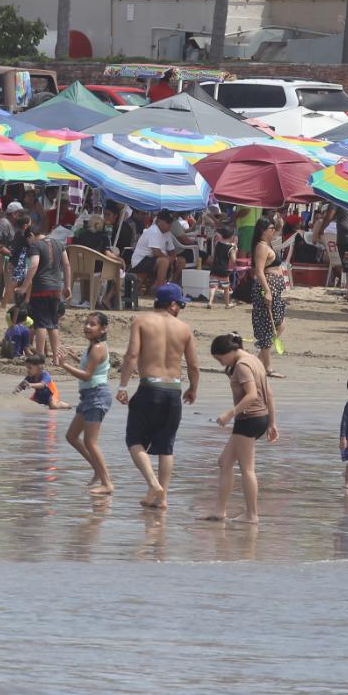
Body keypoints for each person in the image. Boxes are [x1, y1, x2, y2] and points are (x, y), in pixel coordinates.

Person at [117, 283, 201, 509]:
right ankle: (162, 499)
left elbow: (131, 355)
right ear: (172, 305)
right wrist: (193, 388)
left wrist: (122, 386)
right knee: (166, 446)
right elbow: (194, 365)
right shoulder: (184, 329)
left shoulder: (141, 321)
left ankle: (154, 485)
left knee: (134, 440)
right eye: (180, 305)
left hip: (150, 388)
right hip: (173, 391)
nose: (180, 309)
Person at [204, 333, 279, 524]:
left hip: (249, 419)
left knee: (247, 469)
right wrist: (272, 423)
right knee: (224, 462)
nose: (221, 363)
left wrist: (229, 414)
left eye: (220, 359)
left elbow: (252, 395)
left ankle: (251, 515)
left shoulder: (242, 366)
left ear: (230, 351)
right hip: (259, 418)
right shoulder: (255, 360)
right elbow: (269, 394)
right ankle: (220, 511)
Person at [59, 311, 114, 495]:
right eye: (86, 323)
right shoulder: (93, 346)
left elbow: (87, 375)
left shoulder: (98, 347)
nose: (87, 327)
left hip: (97, 395)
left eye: (93, 324)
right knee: (71, 436)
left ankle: (107, 483)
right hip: (88, 396)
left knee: (90, 441)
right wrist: (76, 358)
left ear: (103, 329)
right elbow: (92, 366)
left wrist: (64, 365)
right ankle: (98, 470)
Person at [21, 229, 71, 366]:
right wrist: (67, 286)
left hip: (41, 287)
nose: (29, 243)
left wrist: (24, 286)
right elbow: (66, 264)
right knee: (53, 324)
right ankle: (56, 358)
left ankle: (40, 356)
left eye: (28, 239)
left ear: (32, 235)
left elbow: (34, 265)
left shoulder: (35, 245)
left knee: (41, 323)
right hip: (56, 288)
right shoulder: (59, 244)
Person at [250, 216, 288, 377]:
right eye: (271, 229)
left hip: (275, 288)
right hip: (267, 288)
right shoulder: (261, 247)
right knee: (268, 327)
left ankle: (257, 361)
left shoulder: (267, 244)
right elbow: (259, 271)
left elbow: (278, 230)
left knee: (280, 324)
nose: (274, 231)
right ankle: (267, 368)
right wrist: (267, 291)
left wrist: (278, 223)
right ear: (263, 231)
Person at [130, 210, 181, 292]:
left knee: (180, 261)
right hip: (140, 261)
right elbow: (156, 252)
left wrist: (172, 258)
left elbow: (172, 251)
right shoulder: (153, 231)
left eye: (170, 222)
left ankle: (173, 288)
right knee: (164, 261)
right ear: (159, 221)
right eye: (167, 222)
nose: (170, 225)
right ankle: (159, 289)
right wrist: (169, 259)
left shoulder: (167, 233)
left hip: (152, 260)